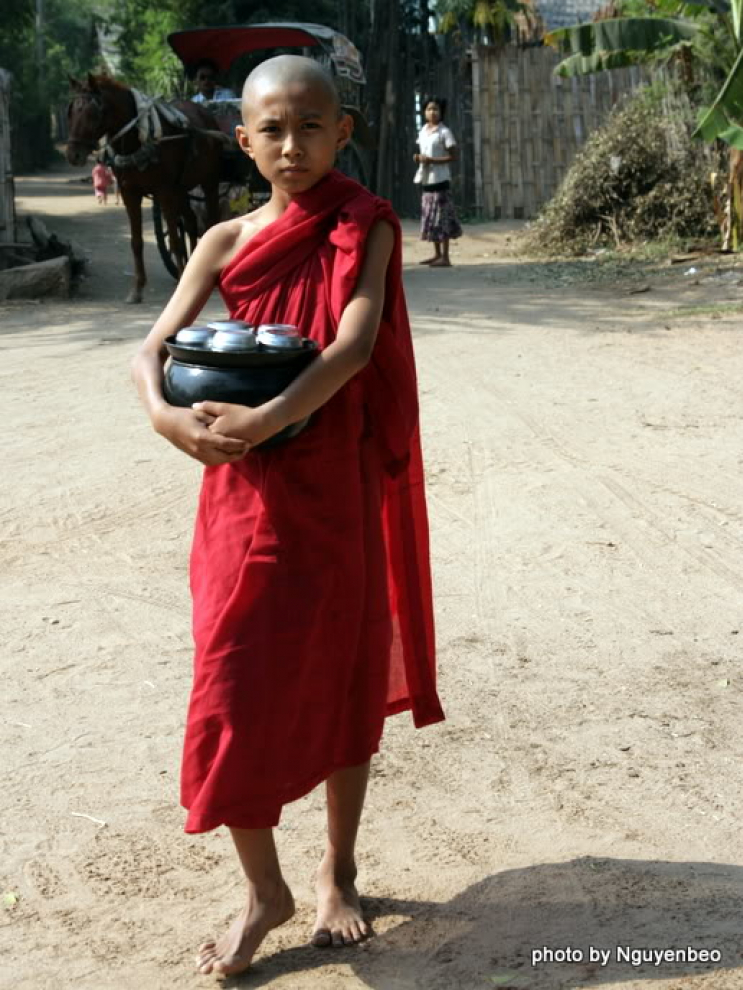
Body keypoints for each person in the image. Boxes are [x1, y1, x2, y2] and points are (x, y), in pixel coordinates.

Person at [131, 55, 444, 977]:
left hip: (330, 483)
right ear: (244, 141)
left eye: (311, 126)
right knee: (231, 677)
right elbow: (152, 347)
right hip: (237, 490)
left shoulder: (366, 226)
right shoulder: (224, 241)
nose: (292, 144)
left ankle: (337, 868)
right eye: (272, 128)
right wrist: (163, 415)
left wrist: (272, 416)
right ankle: (262, 887)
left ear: (342, 132)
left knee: (346, 669)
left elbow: (353, 341)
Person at [414, 96, 462, 267]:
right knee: (431, 218)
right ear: (424, 112)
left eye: (435, 109)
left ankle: (446, 257)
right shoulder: (423, 132)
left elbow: (454, 156)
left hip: (441, 180)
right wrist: (418, 158)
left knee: (443, 219)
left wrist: (432, 160)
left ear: (441, 112)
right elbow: (423, 152)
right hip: (427, 180)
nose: (432, 112)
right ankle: (437, 254)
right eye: (429, 109)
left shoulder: (444, 132)